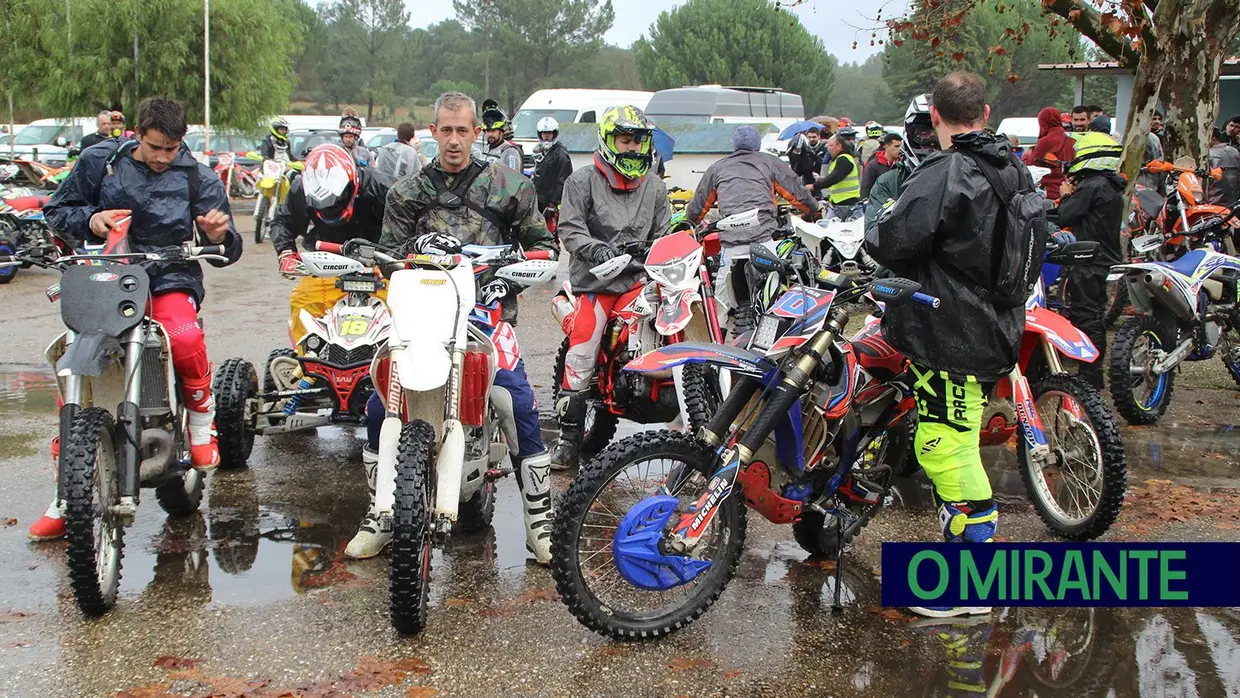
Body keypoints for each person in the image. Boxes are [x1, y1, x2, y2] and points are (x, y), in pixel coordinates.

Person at [29, 97, 241, 541]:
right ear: (137, 134)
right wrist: (93, 220)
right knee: (75, 367)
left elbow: (228, 247)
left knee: (183, 337)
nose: (164, 157)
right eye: (155, 147)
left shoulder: (196, 175)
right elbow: (56, 211)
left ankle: (202, 421)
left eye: (173, 148)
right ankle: (66, 496)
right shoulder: (99, 162)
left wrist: (219, 233)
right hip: (106, 276)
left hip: (169, 276)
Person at [867, 72, 1034, 618]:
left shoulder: (947, 172)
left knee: (948, 447)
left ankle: (972, 588)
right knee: (951, 441)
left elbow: (890, 240)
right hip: (996, 326)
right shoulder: (1016, 170)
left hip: (952, 333)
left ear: (934, 116)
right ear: (984, 113)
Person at [377, 91, 557, 564]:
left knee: (518, 403)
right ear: (432, 132)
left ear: (477, 133)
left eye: (463, 130)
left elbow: (543, 245)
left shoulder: (511, 187)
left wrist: (524, 268)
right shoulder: (407, 193)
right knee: (378, 404)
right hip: (423, 318)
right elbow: (388, 257)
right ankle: (380, 514)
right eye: (445, 130)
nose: (454, 140)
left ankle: (540, 521)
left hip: (488, 316)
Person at [551, 105, 671, 471]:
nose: (633, 147)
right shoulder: (581, 181)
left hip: (639, 280)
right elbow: (569, 229)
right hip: (595, 282)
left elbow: (664, 233)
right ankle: (569, 439)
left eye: (639, 140)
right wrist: (598, 249)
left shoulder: (655, 185)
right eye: (625, 140)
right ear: (607, 141)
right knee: (583, 349)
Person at [687, 125, 821, 334]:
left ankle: (717, 336)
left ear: (734, 144)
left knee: (720, 297)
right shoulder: (770, 162)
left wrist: (692, 221)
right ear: (758, 145)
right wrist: (813, 209)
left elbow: (698, 206)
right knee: (777, 284)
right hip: (764, 237)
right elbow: (797, 192)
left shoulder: (718, 167)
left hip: (730, 242)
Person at [270, 143, 395, 339]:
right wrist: (286, 251)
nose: (330, 209)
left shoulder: (384, 188)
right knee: (301, 302)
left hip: (381, 265)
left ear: (352, 183)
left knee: (403, 309)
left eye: (334, 203)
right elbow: (283, 221)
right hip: (329, 265)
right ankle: (307, 362)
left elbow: (413, 221)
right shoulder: (299, 189)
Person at [1056, 129, 1125, 389]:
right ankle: (1089, 374)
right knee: (1091, 314)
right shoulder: (1109, 185)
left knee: (1087, 316)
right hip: (1101, 258)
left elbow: (1066, 215)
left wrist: (1065, 194)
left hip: (1089, 260)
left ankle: (1090, 377)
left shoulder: (1093, 185)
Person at [865, 94, 939, 233]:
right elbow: (874, 236)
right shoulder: (888, 182)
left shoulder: (965, 175)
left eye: (939, 132)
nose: (932, 141)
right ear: (909, 133)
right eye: (924, 133)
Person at [1024, 107, 1073, 199]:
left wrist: (1027, 157)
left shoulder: (1045, 141)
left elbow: (1032, 167)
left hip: (1049, 191)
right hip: (1068, 188)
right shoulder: (1070, 138)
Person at [531, 116, 573, 221]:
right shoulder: (539, 151)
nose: (546, 136)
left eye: (549, 133)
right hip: (539, 200)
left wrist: (553, 204)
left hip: (552, 204)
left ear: (554, 134)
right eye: (544, 133)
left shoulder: (561, 155)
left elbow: (562, 181)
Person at [810, 133, 862, 211]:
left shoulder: (844, 159)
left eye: (831, 146)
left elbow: (834, 178)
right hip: (838, 202)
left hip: (848, 203)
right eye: (828, 146)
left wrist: (814, 186)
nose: (828, 149)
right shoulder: (836, 160)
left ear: (839, 146)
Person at [479, 99, 523, 172]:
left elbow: (513, 179)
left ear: (501, 131)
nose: (490, 134)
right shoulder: (486, 149)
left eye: (493, 131)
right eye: (488, 131)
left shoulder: (509, 151)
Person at [860, 132, 902, 200]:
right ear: (886, 146)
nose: (899, 149)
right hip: (878, 204)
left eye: (900, 146)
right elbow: (865, 188)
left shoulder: (902, 164)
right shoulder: (873, 165)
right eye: (896, 146)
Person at [1208, 127, 1240, 206]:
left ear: (1213, 138)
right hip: (1233, 199)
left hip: (1213, 200)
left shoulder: (1209, 153)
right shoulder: (1234, 151)